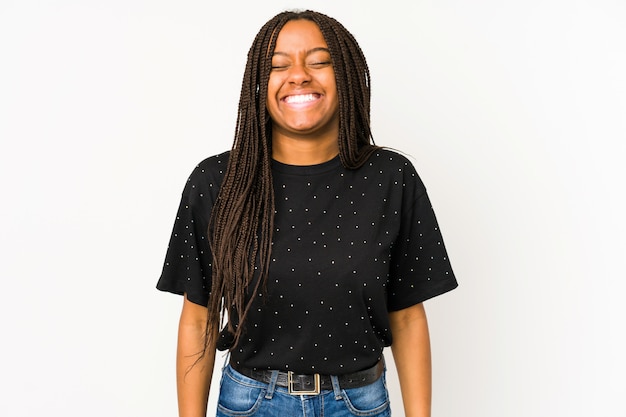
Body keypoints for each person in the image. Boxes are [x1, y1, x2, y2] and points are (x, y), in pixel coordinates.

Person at [157, 9, 458, 417]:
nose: (298, 75)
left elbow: (406, 319)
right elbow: (197, 323)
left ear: (346, 76)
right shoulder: (216, 183)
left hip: (358, 404)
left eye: (318, 62)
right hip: (251, 404)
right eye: (279, 65)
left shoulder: (392, 179)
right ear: (260, 85)